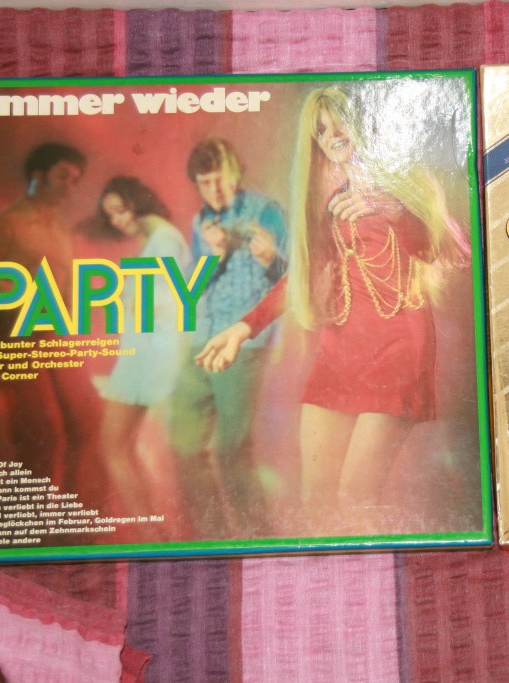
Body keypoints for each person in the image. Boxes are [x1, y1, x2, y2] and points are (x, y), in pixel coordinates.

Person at [196, 86, 470, 535]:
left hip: (399, 346)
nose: (332, 134)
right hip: (340, 347)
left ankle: (377, 574)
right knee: (316, 500)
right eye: (320, 131)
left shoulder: (409, 182)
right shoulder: (333, 201)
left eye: (340, 119)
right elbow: (301, 278)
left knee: (355, 499)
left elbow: (442, 249)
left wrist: (392, 208)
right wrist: (242, 329)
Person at [168, 138, 288, 537]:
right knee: (183, 447)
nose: (215, 190)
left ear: (235, 171)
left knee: (231, 453)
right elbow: (191, 289)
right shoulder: (201, 221)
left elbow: (296, 280)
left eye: (220, 178)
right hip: (200, 339)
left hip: (243, 345)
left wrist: (271, 259)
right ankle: (212, 538)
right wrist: (211, 256)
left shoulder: (267, 212)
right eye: (205, 182)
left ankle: (259, 540)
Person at [0, 142, 101, 495]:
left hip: (55, 337)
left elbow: (68, 289)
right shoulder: (3, 225)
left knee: (88, 417)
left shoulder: (61, 229)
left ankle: (70, 508)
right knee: (44, 432)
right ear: (38, 175)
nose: (70, 187)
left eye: (75, 180)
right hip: (12, 340)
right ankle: (32, 514)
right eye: (63, 176)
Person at [91, 177, 190, 521]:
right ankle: (154, 530)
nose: (117, 220)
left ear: (137, 201)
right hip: (146, 356)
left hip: (150, 359)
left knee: (117, 447)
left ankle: (153, 532)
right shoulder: (158, 239)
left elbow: (171, 303)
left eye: (120, 209)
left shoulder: (164, 240)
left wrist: (126, 298)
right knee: (126, 448)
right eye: (111, 215)